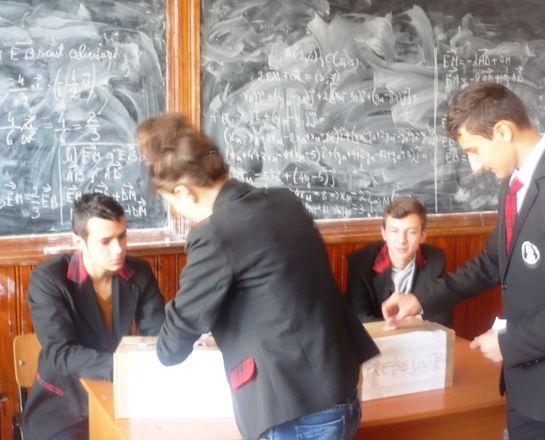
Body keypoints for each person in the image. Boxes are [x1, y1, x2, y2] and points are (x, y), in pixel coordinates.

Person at [381, 82, 545, 440]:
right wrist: (420, 298)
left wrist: (509, 343)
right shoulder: (513, 185)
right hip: (526, 383)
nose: (475, 166)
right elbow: (493, 262)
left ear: (504, 131)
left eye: (475, 150)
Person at [135, 113, 379, 440]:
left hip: (295, 412)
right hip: (340, 391)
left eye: (171, 203)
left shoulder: (215, 234)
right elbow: (273, 289)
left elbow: (176, 337)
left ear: (184, 192)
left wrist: (169, 342)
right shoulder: (283, 201)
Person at [24, 193, 165, 440]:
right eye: (105, 241)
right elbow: (61, 353)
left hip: (123, 396)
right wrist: (125, 369)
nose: (118, 249)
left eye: (122, 236)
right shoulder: (49, 279)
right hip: (63, 404)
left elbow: (158, 333)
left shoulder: (139, 272)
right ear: (79, 242)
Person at [345, 196, 451, 326]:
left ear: (422, 235)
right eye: (394, 231)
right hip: (377, 338)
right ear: (384, 233)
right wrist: (401, 325)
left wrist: (404, 325)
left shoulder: (435, 259)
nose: (402, 240)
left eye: (411, 232)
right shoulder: (360, 263)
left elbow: (441, 314)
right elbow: (359, 318)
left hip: (419, 337)